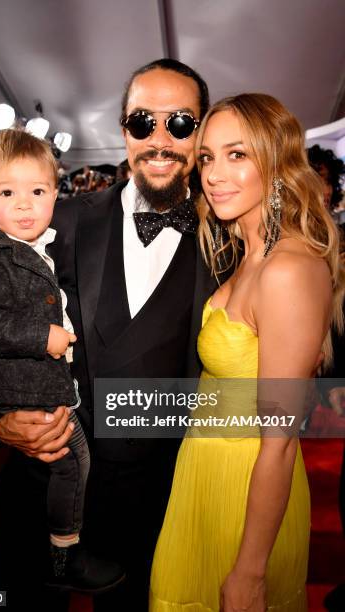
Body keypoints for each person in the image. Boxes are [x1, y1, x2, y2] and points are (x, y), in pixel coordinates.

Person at [0, 59, 218, 611]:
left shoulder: (228, 245)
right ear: (123, 130)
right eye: (143, 122)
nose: (159, 140)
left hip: (154, 502)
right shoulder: (55, 220)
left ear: (203, 131)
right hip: (40, 486)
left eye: (180, 123)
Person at [149, 93, 344, 612]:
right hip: (205, 474)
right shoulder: (249, 254)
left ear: (276, 163)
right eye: (208, 157)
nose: (214, 174)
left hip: (247, 491)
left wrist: (250, 570)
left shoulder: (287, 270)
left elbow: (279, 442)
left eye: (237, 155)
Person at [0, 129, 124, 593]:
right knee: (71, 463)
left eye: (37, 192)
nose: (24, 205)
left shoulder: (43, 244)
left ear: (56, 194)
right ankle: (65, 553)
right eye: (8, 193)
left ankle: (66, 550)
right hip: (21, 396)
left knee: (74, 465)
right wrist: (44, 336)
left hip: (60, 393)